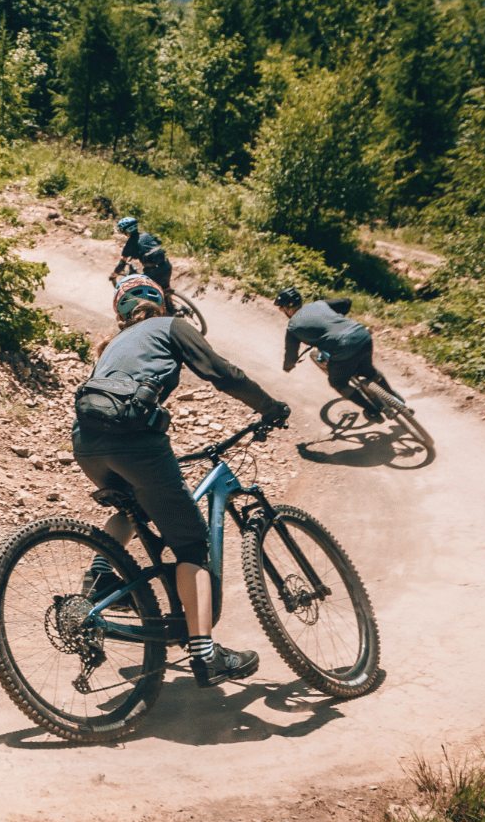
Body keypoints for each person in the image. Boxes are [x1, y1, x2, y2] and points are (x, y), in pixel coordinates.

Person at [73, 278, 292, 688]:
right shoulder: (171, 325)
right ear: (163, 302)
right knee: (191, 546)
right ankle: (207, 656)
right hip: (135, 442)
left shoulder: (112, 348)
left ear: (121, 314)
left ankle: (101, 575)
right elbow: (222, 374)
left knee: (130, 508)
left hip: (86, 445)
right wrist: (269, 406)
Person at [275, 288, 406, 423]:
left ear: (287, 307)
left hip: (343, 348)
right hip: (362, 336)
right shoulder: (318, 304)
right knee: (369, 371)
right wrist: (335, 318)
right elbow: (346, 302)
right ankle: (393, 397)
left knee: (337, 382)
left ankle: (372, 410)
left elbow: (291, 354)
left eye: (281, 309)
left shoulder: (292, 327)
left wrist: (288, 367)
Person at [110, 216, 172, 292]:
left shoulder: (130, 243)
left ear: (126, 231)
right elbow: (159, 242)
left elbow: (122, 262)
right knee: (166, 288)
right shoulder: (146, 234)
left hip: (152, 272)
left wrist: (114, 274)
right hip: (166, 265)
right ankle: (170, 302)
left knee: (145, 291)